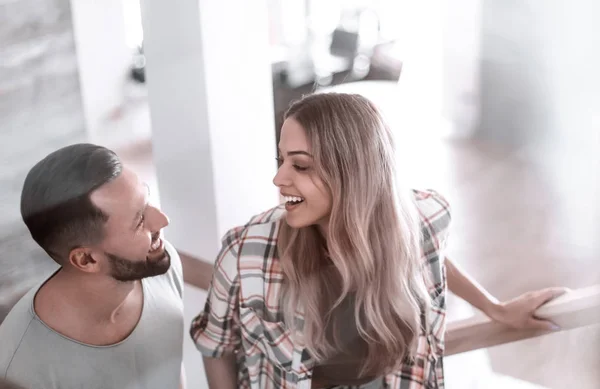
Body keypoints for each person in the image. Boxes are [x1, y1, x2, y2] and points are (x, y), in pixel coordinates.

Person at [190, 93, 565, 389]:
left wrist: (495, 308)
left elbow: (430, 251)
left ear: (353, 171)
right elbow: (215, 346)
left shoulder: (425, 217)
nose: (278, 179)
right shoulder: (246, 251)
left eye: (300, 165)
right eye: (281, 160)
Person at [0, 144, 186, 389]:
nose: (163, 220)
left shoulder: (162, 266)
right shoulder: (20, 367)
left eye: (147, 198)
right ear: (86, 260)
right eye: (139, 220)